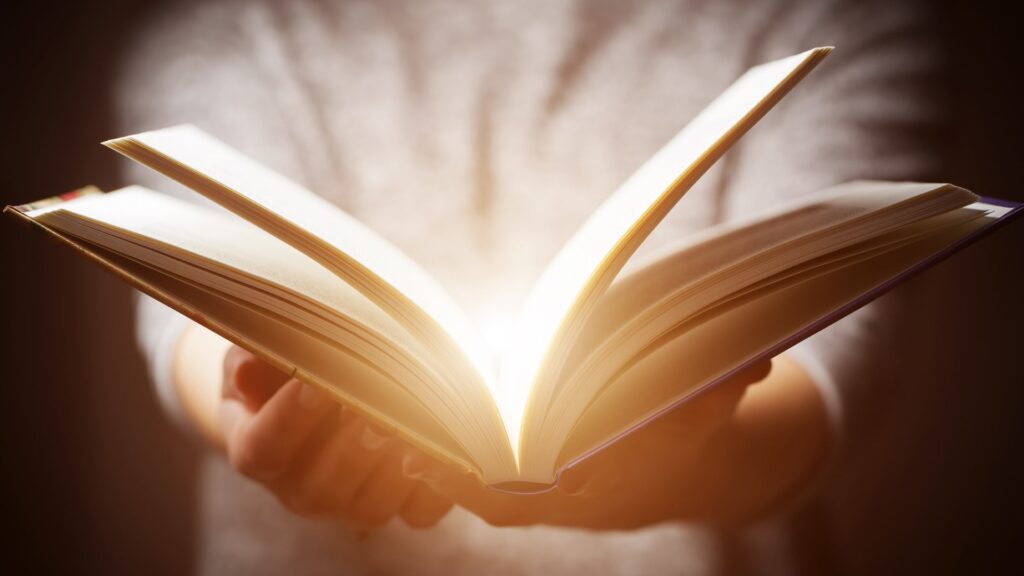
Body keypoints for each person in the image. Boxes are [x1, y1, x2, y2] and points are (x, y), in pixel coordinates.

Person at [121, 0, 945, 573]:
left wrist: (666, 464)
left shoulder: (823, 21)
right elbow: (194, 319)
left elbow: (829, 377)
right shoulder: (224, 32)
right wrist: (247, 403)